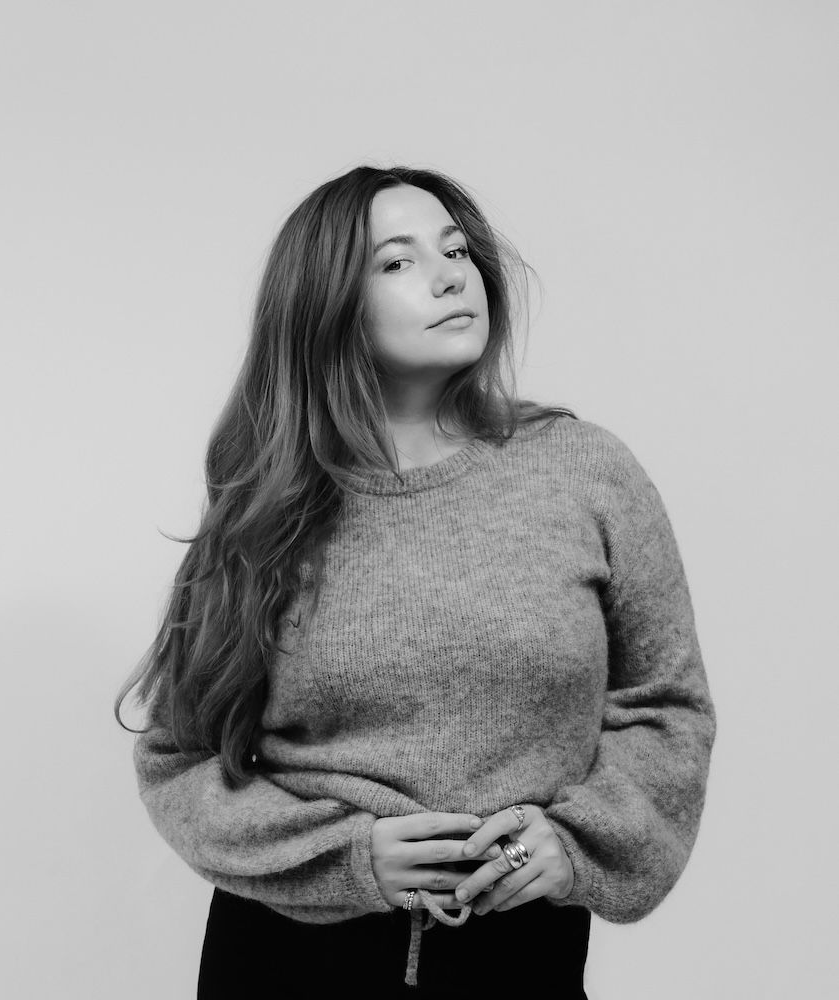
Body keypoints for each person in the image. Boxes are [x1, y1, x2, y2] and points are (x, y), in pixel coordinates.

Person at [116, 164, 716, 998]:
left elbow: (665, 703)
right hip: (289, 965)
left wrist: (579, 838)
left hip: (520, 963)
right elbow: (178, 757)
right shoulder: (269, 504)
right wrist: (343, 856)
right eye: (396, 262)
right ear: (330, 307)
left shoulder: (585, 471)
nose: (447, 275)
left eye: (456, 249)